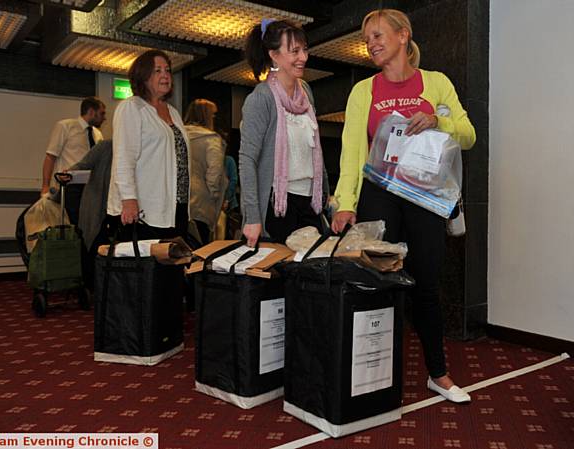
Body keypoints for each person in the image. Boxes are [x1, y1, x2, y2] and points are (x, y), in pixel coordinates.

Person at [331, 9, 476, 403]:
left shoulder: (436, 83)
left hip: (424, 197)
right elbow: (351, 153)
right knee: (380, 285)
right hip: (380, 195)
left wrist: (435, 120)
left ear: (402, 36)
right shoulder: (363, 91)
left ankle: (439, 374)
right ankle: (376, 376)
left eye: (378, 35)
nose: (371, 44)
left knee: (426, 286)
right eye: (367, 39)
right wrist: (345, 203)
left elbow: (468, 135)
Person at [239, 19, 328, 247]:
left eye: (305, 49)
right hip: (277, 203)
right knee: (281, 277)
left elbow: (315, 147)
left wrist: (326, 195)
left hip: (310, 202)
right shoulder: (261, 98)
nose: (303, 58)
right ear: (274, 55)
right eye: (294, 51)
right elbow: (247, 160)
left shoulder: (306, 92)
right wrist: (252, 217)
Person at [107, 49, 190, 241]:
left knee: (174, 267)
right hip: (143, 209)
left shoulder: (174, 113)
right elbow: (123, 158)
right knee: (146, 269)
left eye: (167, 70)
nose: (165, 75)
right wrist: (128, 199)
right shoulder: (132, 107)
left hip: (174, 207)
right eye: (157, 70)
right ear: (143, 76)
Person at [42, 97, 106, 225]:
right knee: (71, 223)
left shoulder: (97, 134)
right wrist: (45, 186)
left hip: (90, 188)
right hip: (69, 185)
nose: (104, 118)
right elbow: (50, 157)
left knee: (88, 224)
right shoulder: (65, 126)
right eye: (102, 113)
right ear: (92, 112)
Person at [69, 139, 113, 289]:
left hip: (115, 209)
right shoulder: (105, 146)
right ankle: (92, 285)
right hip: (98, 207)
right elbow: (81, 166)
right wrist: (66, 175)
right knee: (95, 244)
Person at [184, 98, 228, 245]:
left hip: (177, 201)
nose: (214, 118)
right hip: (201, 203)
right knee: (198, 250)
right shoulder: (211, 140)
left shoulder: (177, 135)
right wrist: (214, 195)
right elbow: (215, 172)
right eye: (213, 115)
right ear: (206, 116)